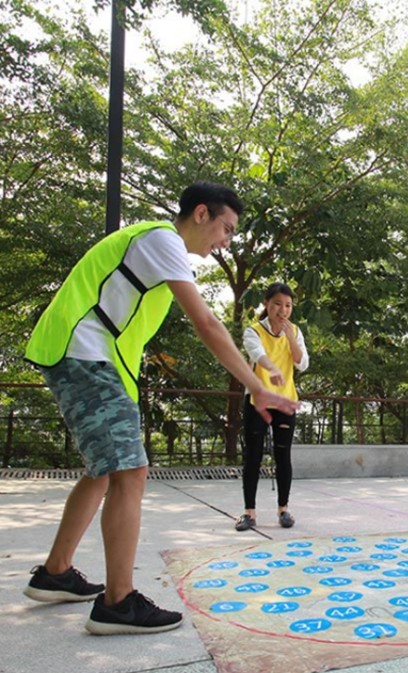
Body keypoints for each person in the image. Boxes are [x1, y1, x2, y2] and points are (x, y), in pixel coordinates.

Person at [22, 182, 299, 635]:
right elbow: (207, 323)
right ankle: (118, 603)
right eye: (226, 229)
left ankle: (56, 573)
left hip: (88, 357)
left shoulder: (156, 248)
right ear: (202, 214)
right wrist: (257, 386)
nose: (226, 242)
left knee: (104, 471)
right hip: (84, 354)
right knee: (131, 471)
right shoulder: (163, 240)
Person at [235, 282, 308, 531]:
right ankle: (249, 513)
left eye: (288, 305)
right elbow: (257, 354)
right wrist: (272, 368)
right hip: (258, 400)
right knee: (253, 456)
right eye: (277, 304)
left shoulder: (295, 332)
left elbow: (302, 363)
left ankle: (284, 510)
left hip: (285, 401)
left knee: (282, 455)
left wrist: (290, 338)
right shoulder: (254, 331)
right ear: (267, 304)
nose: (283, 310)